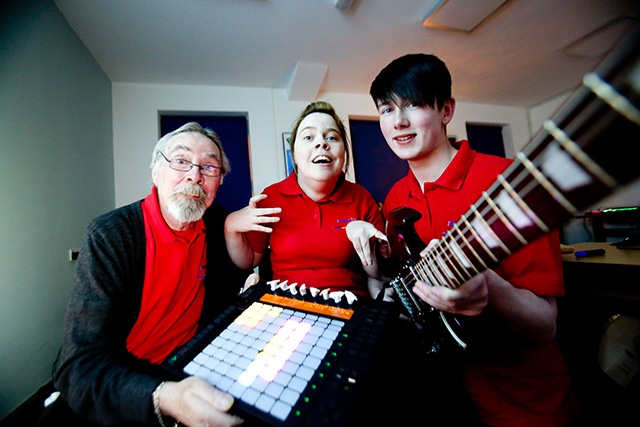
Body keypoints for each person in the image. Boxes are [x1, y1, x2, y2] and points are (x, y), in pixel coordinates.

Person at [366, 54, 580, 426]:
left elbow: (546, 324)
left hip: (522, 403)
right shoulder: (397, 197)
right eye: (386, 109)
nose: (398, 121)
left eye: (413, 104)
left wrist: (488, 288)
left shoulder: (511, 183)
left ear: (446, 110)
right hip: (443, 396)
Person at [52, 122, 249, 427]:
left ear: (219, 181)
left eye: (209, 167)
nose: (194, 175)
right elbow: (78, 366)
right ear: (156, 173)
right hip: (126, 381)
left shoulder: (220, 225)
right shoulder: (111, 234)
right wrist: (162, 397)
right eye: (181, 161)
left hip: (189, 368)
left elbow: (241, 273)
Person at [224, 101, 387, 299]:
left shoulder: (361, 198)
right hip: (290, 310)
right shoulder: (271, 197)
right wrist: (230, 226)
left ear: (344, 154)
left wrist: (367, 245)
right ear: (294, 155)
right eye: (309, 137)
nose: (321, 144)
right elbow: (249, 261)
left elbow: (380, 275)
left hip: (350, 310)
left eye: (332, 137)